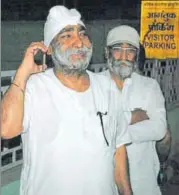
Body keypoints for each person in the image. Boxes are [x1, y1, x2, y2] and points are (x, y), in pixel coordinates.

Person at [1, 6, 132, 195]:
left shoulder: (107, 86)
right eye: (66, 36)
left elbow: (118, 149)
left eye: (83, 34)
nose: (79, 43)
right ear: (50, 47)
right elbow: (6, 129)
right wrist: (21, 74)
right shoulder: (33, 87)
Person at [102, 25, 167, 195]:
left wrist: (114, 131)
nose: (123, 57)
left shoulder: (149, 86)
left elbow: (159, 130)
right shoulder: (94, 85)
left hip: (144, 181)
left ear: (136, 55)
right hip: (105, 184)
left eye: (130, 51)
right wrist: (132, 117)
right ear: (107, 52)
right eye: (117, 50)